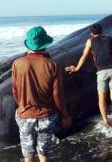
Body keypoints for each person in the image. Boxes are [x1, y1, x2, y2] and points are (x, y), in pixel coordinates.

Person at [12, 26, 72, 162]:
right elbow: (58, 94)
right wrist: (64, 115)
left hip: (25, 115)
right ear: (45, 44)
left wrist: (22, 106)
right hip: (47, 116)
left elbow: (15, 91)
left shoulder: (17, 63)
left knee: (28, 156)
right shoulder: (52, 64)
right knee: (44, 155)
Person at [65, 24, 112, 127]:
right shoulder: (109, 38)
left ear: (91, 33)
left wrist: (76, 68)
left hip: (102, 71)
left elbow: (83, 56)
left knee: (102, 98)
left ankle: (105, 121)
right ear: (102, 31)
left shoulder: (90, 41)